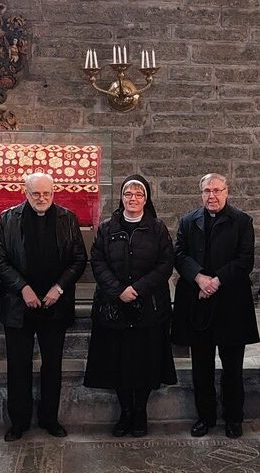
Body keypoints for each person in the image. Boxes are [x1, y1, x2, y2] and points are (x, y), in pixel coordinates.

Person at [0, 172, 87, 442]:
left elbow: (79, 259)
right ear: (26, 193)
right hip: (18, 305)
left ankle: (49, 419)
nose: (42, 198)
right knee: (18, 365)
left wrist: (59, 288)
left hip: (55, 304)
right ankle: (18, 422)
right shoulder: (8, 218)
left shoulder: (68, 218)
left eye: (47, 193)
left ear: (53, 193)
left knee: (52, 365)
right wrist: (23, 288)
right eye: (36, 194)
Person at [84, 174, 176, 438]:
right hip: (115, 308)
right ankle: (125, 412)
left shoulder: (157, 228)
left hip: (148, 308)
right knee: (119, 362)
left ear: (146, 199)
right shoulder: (107, 228)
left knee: (145, 362)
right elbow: (98, 261)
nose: (133, 199)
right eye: (128, 194)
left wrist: (138, 289)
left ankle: (140, 412)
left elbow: (166, 263)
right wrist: (118, 291)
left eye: (138, 194)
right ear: (121, 198)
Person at [172, 173, 259, 439]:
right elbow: (179, 254)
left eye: (217, 190)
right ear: (201, 193)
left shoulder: (242, 221)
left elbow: (245, 260)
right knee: (201, 366)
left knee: (233, 367)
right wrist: (199, 277)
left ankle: (234, 418)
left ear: (226, 192)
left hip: (231, 305)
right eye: (207, 191)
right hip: (199, 304)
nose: (212, 195)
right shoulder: (188, 221)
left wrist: (216, 281)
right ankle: (205, 417)